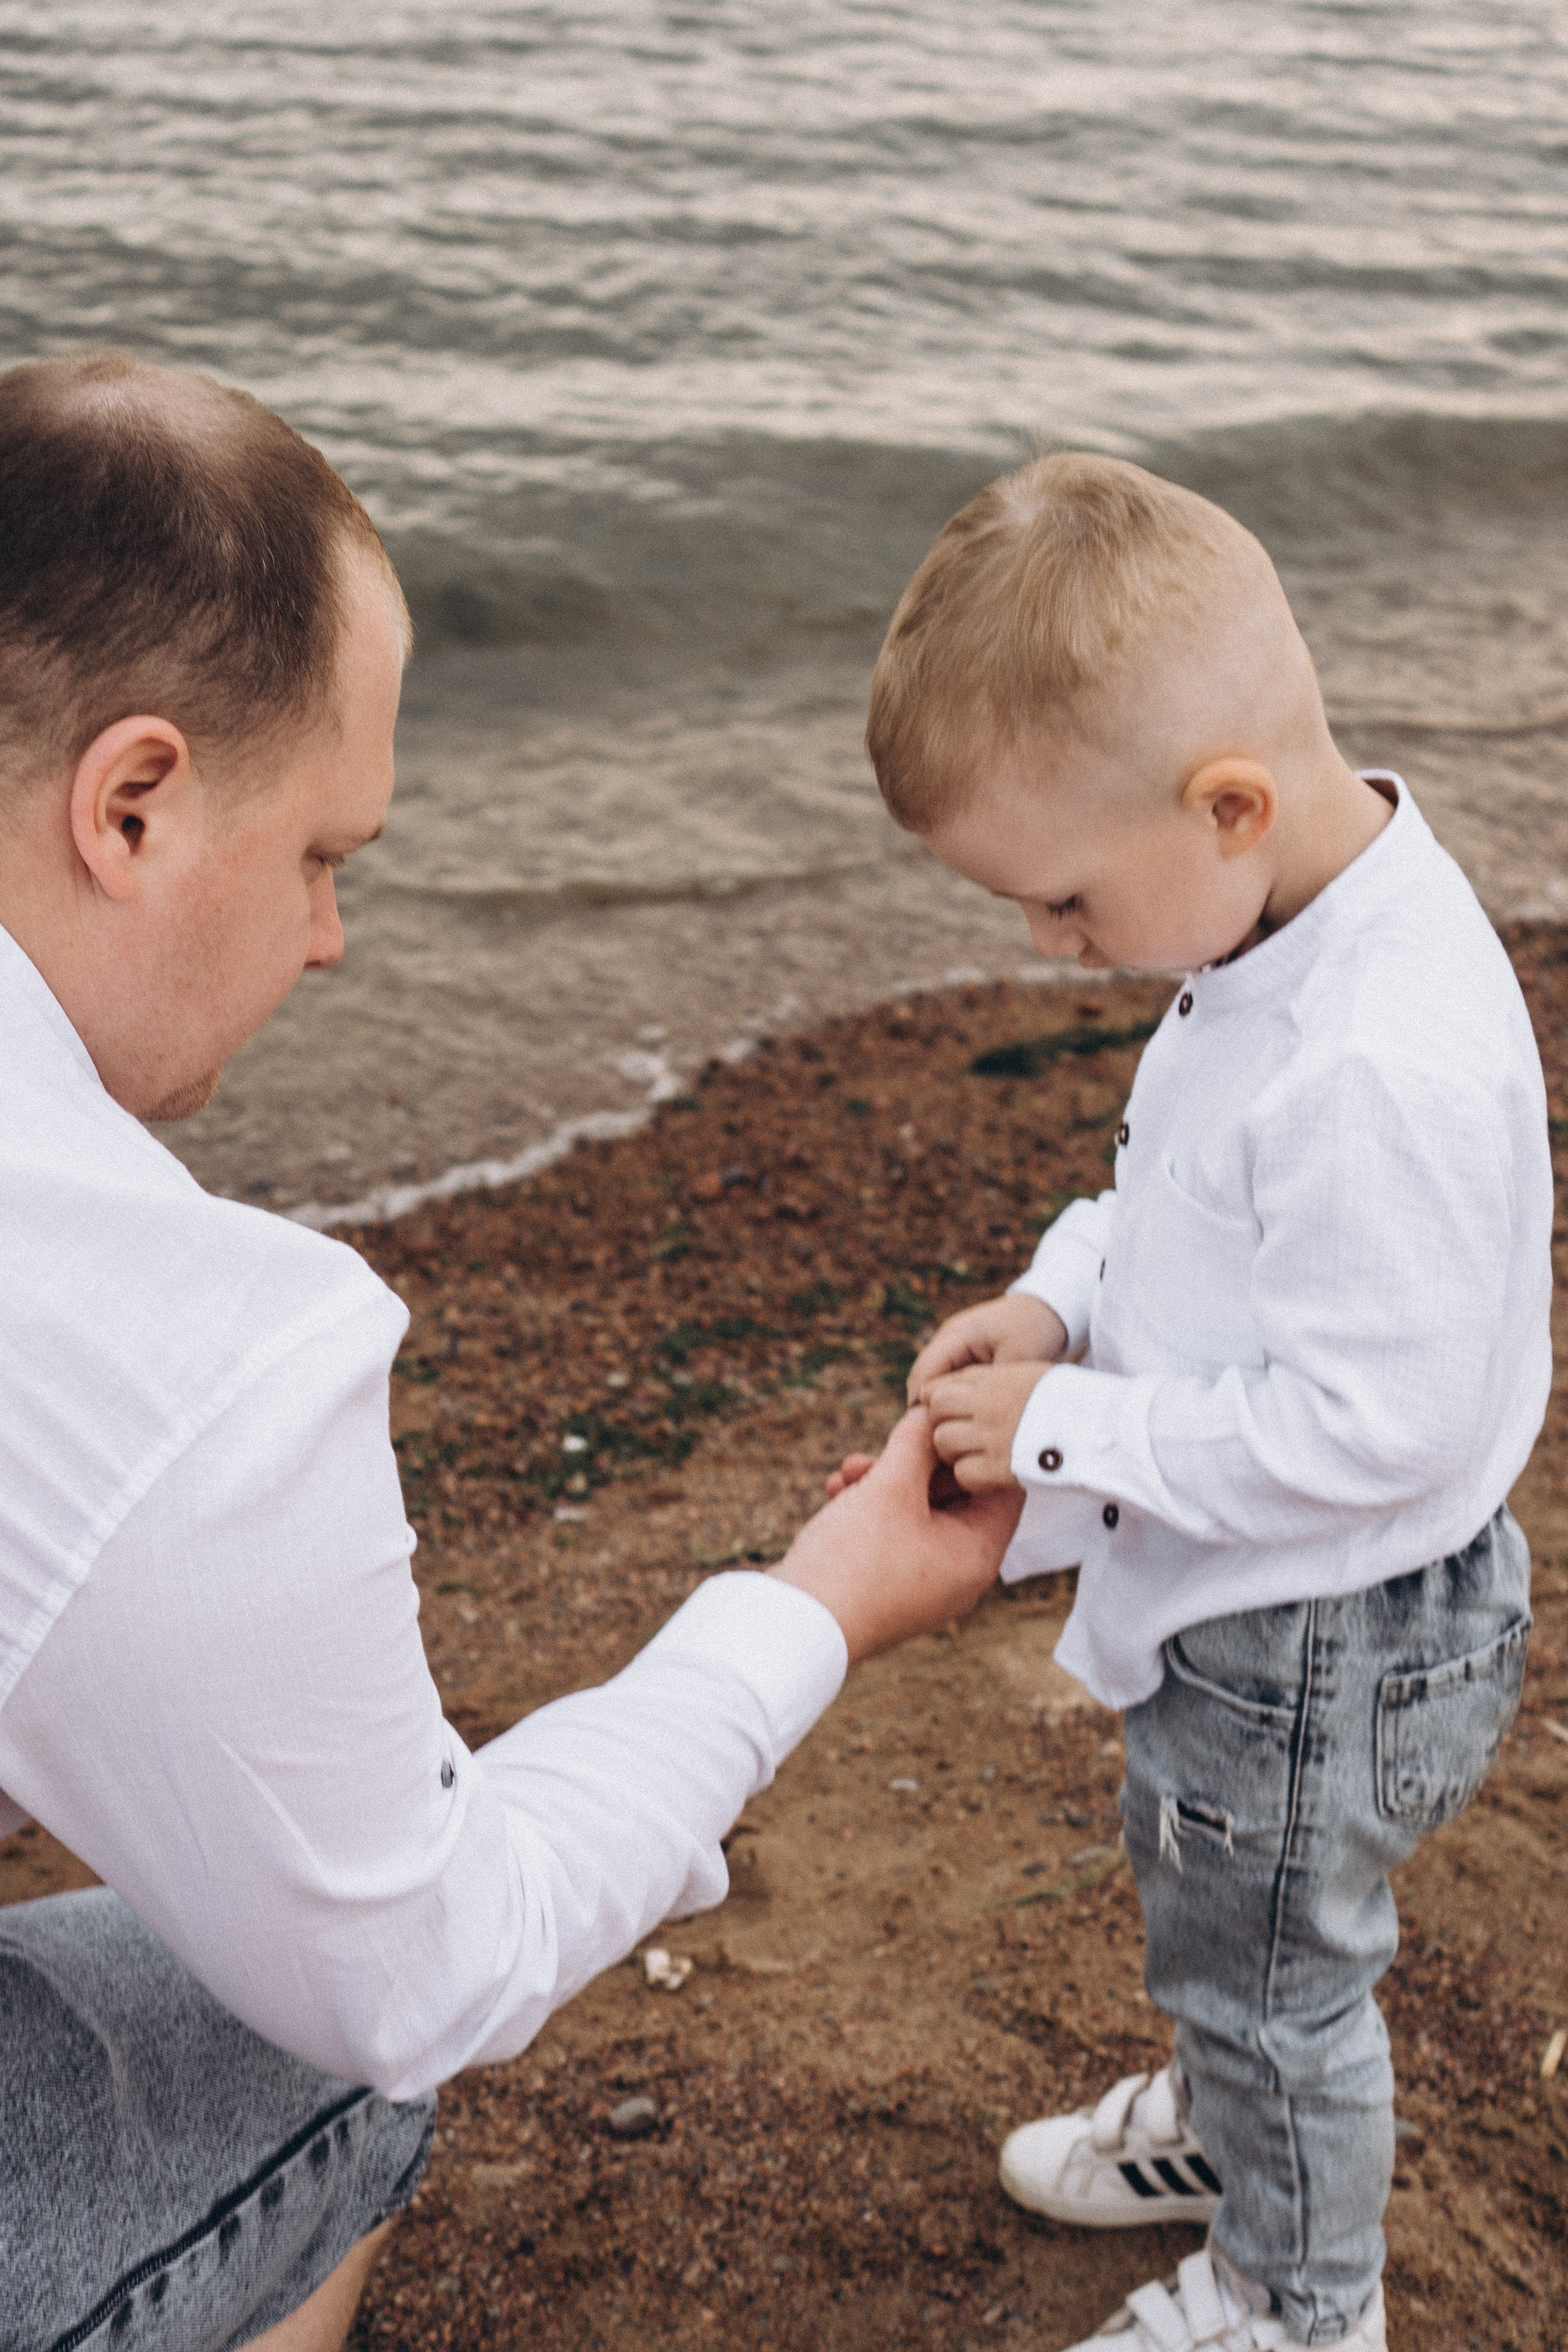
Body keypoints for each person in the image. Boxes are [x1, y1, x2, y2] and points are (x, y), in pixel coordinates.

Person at [0, 350, 1022, 2352]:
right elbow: (416, 1966)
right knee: (318, 2064)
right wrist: (819, 1603)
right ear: (132, 802)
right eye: (322, 857)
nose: (328, 941)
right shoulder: (168, 1348)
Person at [842, 453, 1549, 2350]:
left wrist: (1071, 1441)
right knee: (1222, 1923)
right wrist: (1054, 1305)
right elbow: (1174, 1197)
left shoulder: (1371, 1057)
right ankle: (1229, 2132)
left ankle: (1297, 2302)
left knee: (1275, 1982)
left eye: (1065, 901)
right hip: (1276, 1610)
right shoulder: (1283, 909)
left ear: (1225, 803)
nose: (1050, 947)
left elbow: (1370, 1427)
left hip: (1316, 1635)